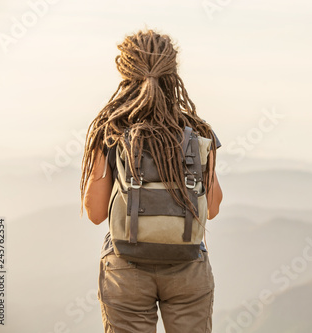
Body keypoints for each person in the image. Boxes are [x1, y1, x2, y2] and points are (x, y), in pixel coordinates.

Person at [79, 28, 223, 333]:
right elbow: (212, 207)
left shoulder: (111, 129)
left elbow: (94, 213)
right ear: (173, 71)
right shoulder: (195, 130)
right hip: (188, 266)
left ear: (125, 71)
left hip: (125, 269)